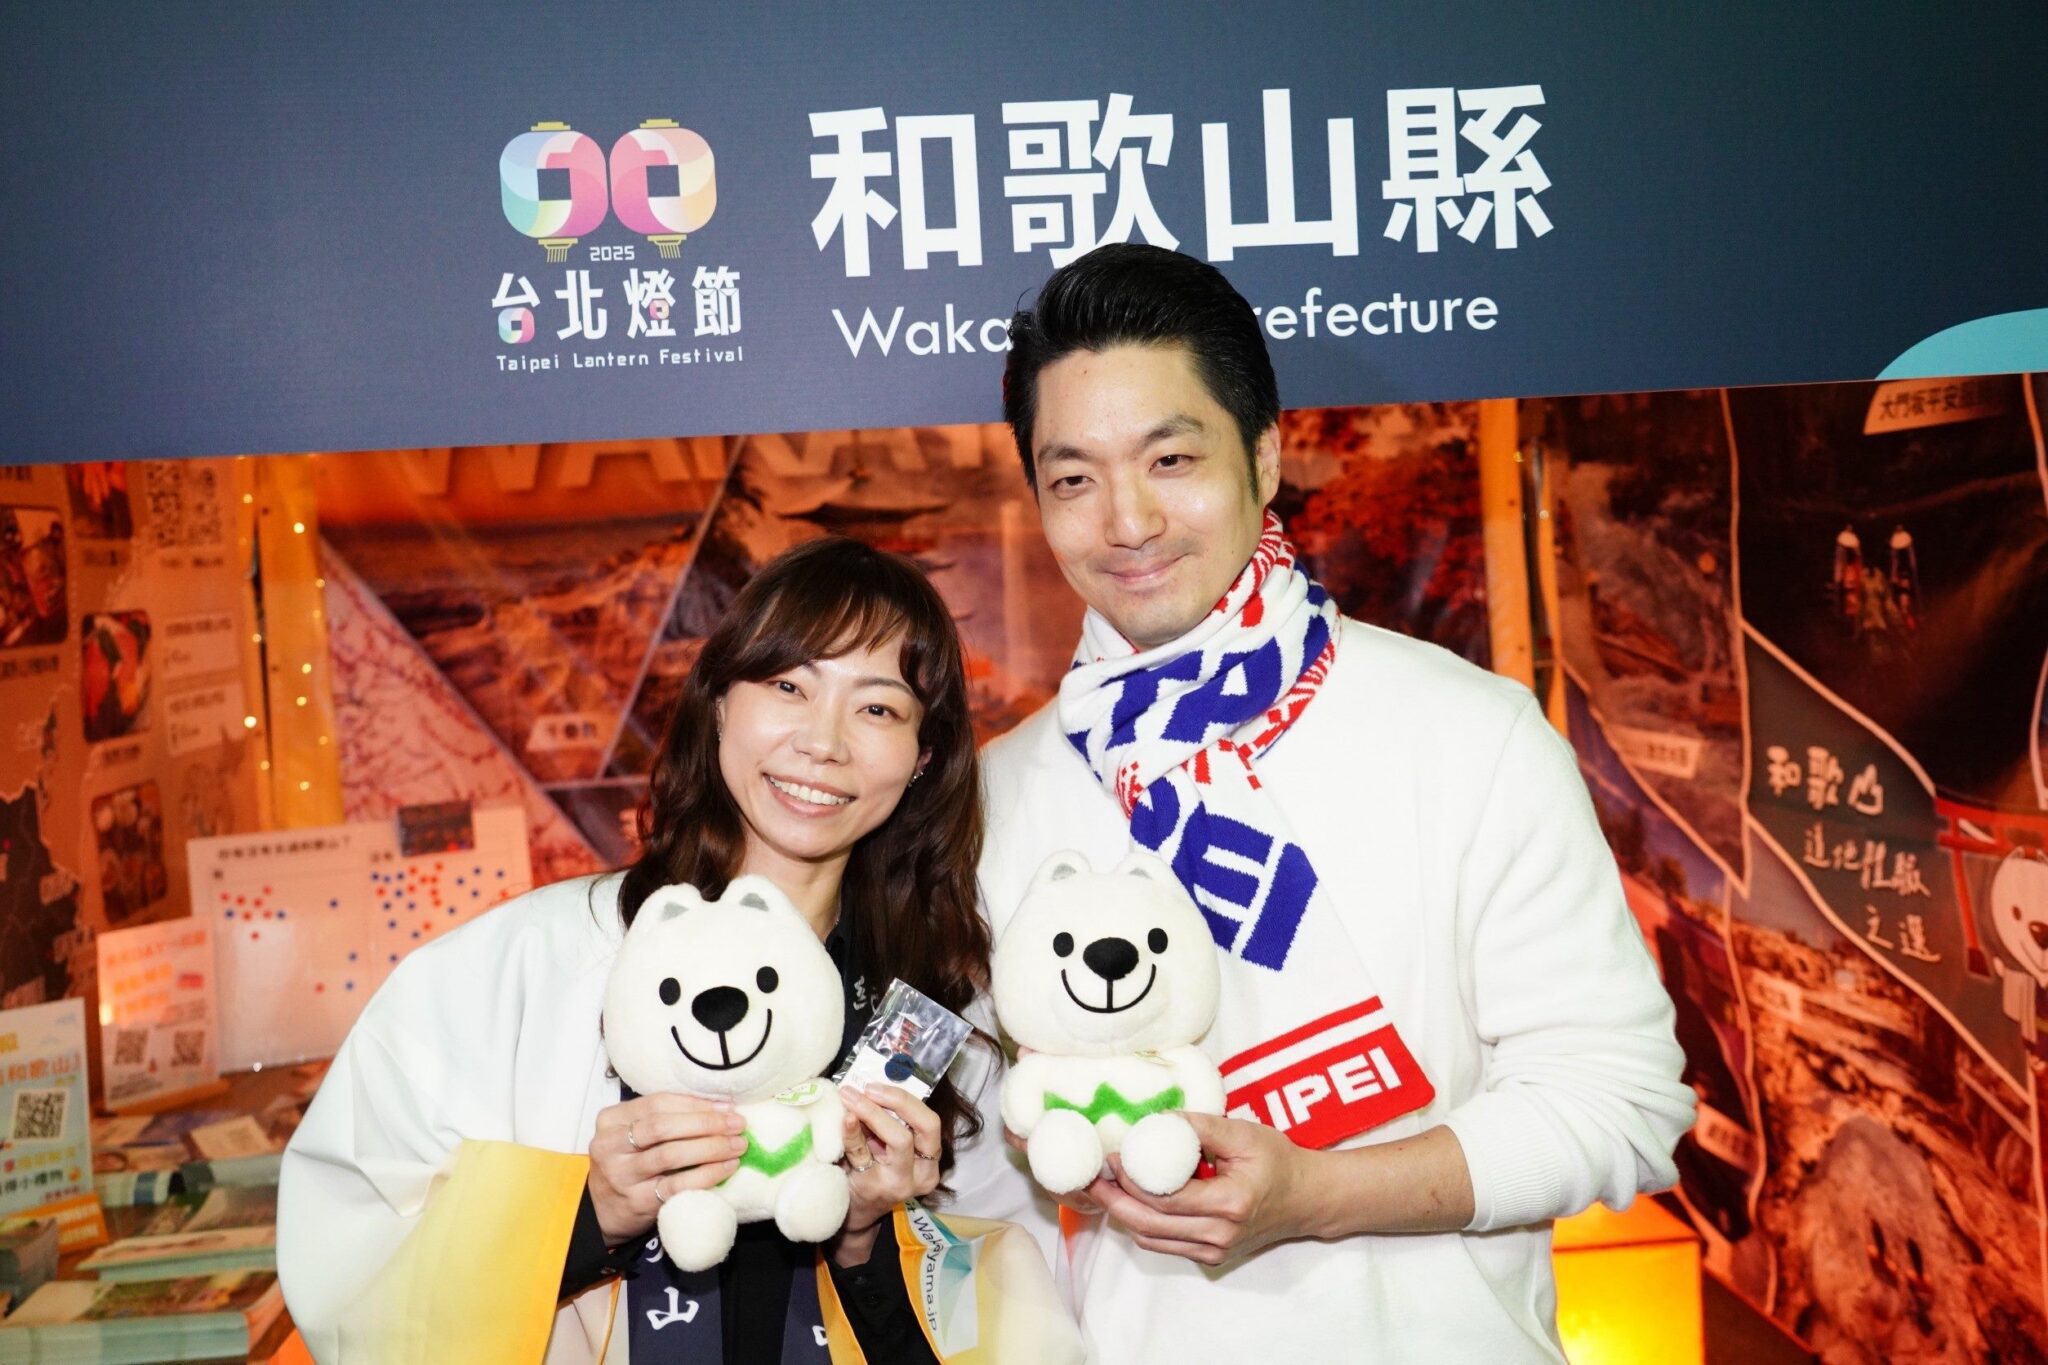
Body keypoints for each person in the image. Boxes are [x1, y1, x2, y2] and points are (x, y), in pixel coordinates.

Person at [971, 243, 1696, 1361]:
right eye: (1074, 479)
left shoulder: (1466, 732)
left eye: (1171, 458)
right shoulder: (1000, 792)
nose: (1127, 519)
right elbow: (990, 1174)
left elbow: (1620, 1102)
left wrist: (1319, 1195)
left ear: (1263, 456)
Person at [280, 537, 1006, 1363]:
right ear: (719, 702)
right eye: (788, 686)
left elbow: (994, 1319)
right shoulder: (527, 966)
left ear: (924, 757)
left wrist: (866, 1240)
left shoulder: (937, 1016)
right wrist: (590, 1215)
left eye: (878, 709)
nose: (823, 741)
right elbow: (353, 1270)